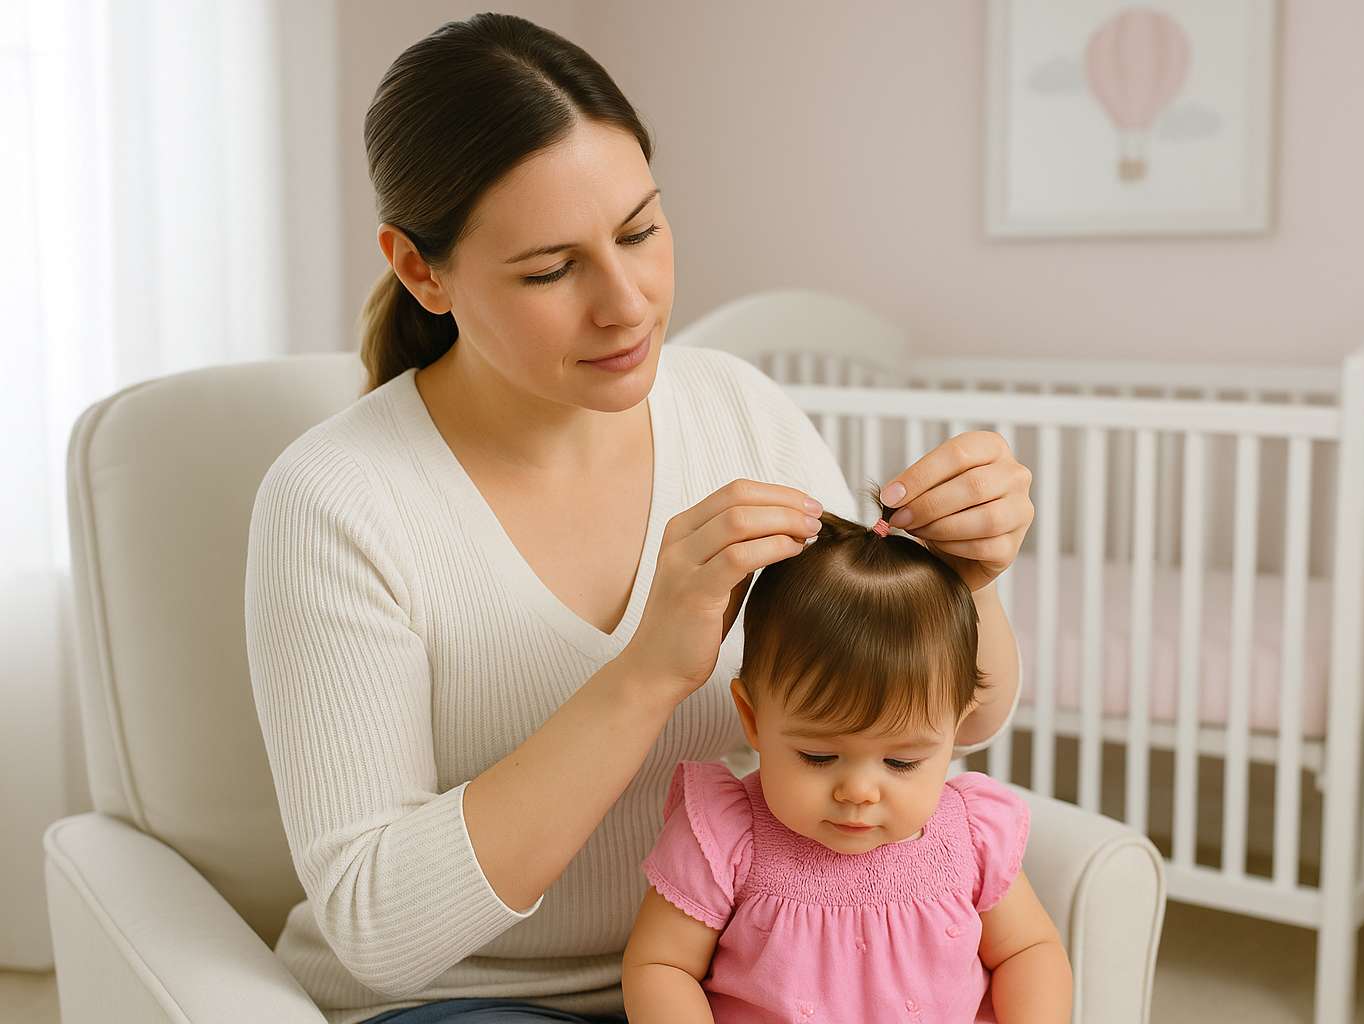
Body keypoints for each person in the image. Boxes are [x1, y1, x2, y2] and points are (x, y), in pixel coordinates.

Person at [244, 12, 1033, 1024]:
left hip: (739, 974)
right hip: (470, 999)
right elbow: (377, 929)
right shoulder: (338, 501)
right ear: (420, 269)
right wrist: (648, 671)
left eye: (640, 230)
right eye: (550, 269)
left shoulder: (741, 408)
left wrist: (970, 581)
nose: (628, 302)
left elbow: (950, 718)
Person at [621, 497, 1070, 1023]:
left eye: (901, 762)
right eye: (818, 754)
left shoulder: (970, 837)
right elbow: (660, 965)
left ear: (954, 730)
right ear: (753, 718)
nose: (859, 790)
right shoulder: (725, 836)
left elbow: (1029, 950)